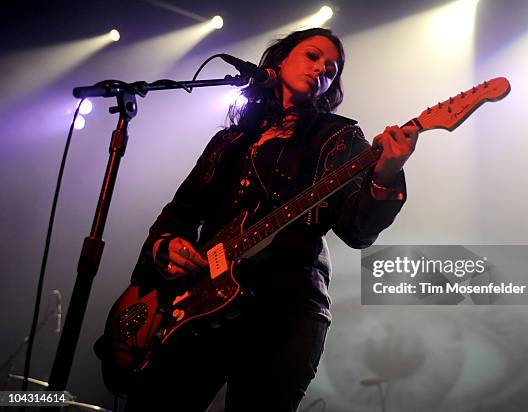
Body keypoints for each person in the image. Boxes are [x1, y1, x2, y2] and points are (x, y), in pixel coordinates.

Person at [124, 27, 418, 411]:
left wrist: (385, 175)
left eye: (331, 69)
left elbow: (357, 231)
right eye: (312, 57)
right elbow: (180, 212)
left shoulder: (338, 137)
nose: (321, 71)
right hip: (198, 304)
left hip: (286, 311)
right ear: (279, 60)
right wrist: (167, 246)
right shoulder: (230, 141)